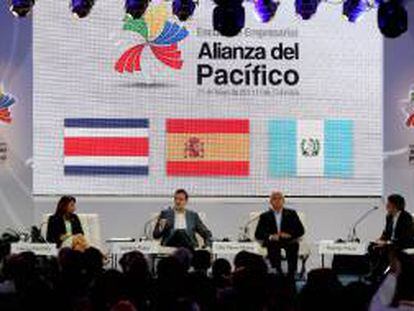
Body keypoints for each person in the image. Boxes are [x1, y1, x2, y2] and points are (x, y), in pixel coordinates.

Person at [255, 191, 305, 278]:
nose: (277, 201)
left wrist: (290, 235)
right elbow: (258, 233)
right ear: (270, 202)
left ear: (283, 201)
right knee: (273, 246)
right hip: (273, 241)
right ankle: (278, 272)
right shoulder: (264, 216)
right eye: (274, 199)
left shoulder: (291, 213)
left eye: (280, 199)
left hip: (288, 240)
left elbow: (301, 230)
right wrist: (271, 236)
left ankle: (291, 273)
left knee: (293, 245)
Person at [368, 194, 414, 280]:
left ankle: (378, 274)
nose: (386, 205)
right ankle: (375, 271)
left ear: (394, 205)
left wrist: (387, 242)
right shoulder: (389, 216)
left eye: (388, 203)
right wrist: (380, 239)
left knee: (387, 248)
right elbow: (386, 232)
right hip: (391, 243)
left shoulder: (406, 217)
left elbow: (405, 236)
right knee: (371, 247)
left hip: (403, 243)